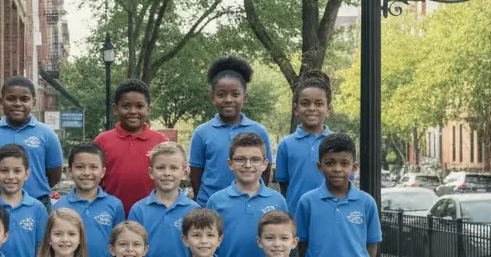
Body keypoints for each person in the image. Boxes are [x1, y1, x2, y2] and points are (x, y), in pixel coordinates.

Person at [189, 56, 273, 206]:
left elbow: (265, 171)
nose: (228, 100)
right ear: (212, 97)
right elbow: (196, 175)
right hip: (210, 207)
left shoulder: (259, 131)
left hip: (249, 203)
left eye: (235, 94)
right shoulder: (202, 133)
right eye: (221, 94)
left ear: (245, 97)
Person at [0, 77, 63, 206]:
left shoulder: (47, 134)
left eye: (24, 99)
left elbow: (55, 175)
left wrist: (32, 190)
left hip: (38, 202)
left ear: (33, 102)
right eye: (11, 99)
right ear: (1, 101)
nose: (17, 103)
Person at [94, 79, 169, 215]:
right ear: (116, 108)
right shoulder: (102, 140)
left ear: (148, 109)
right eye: (126, 106)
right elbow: (95, 181)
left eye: (139, 106)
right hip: (110, 214)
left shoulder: (161, 141)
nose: (133, 111)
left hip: (152, 214)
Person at [54, 143, 125, 257]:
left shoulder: (114, 205)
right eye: (80, 167)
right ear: (70, 171)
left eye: (93, 167)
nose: (87, 173)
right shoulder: (59, 207)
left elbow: (120, 243)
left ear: (102, 172)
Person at [275, 72, 334, 212]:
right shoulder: (286, 144)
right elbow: (284, 185)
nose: (312, 108)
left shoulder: (337, 143)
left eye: (319, 104)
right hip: (296, 218)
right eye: (305, 103)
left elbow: (345, 182)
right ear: (296, 109)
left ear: (329, 109)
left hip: (330, 215)